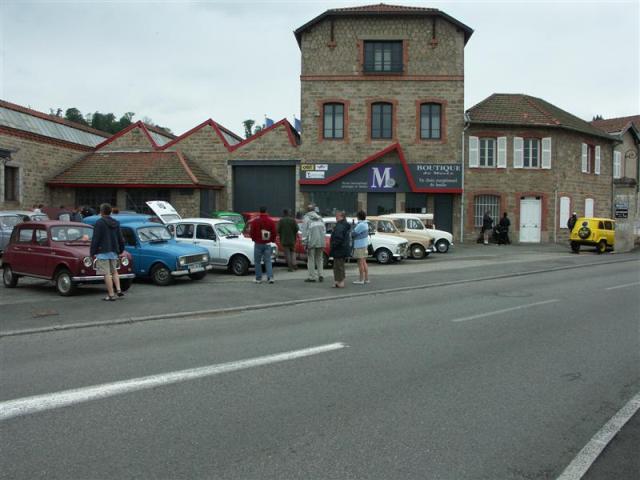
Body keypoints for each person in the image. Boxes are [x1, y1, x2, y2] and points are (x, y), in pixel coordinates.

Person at [90, 203, 126, 301]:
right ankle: (118, 290)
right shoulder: (116, 222)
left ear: (101, 212)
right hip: (114, 251)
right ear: (110, 211)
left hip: (103, 251)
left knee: (106, 273)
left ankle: (111, 294)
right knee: (114, 271)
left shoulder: (99, 223)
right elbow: (120, 238)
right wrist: (121, 249)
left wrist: (92, 252)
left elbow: (95, 239)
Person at [249, 206, 277, 284]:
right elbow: (274, 232)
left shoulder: (255, 221)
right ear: (266, 211)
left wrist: (254, 239)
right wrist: (271, 240)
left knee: (257, 261)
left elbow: (252, 232)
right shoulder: (270, 221)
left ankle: (258, 278)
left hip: (258, 243)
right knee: (268, 261)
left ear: (259, 211)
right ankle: (270, 277)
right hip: (267, 243)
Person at [301, 203, 327, 282]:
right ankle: (321, 275)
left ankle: (312, 277)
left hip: (311, 242)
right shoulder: (320, 218)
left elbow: (304, 232)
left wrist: (304, 243)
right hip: (321, 241)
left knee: (311, 259)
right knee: (319, 259)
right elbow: (324, 231)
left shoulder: (306, 219)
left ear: (307, 210)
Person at [329, 210, 351, 288]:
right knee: (338, 266)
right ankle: (338, 281)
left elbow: (338, 238)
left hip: (339, 249)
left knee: (338, 266)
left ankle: (340, 281)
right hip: (342, 248)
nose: (336, 217)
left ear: (341, 216)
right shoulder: (344, 225)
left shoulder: (340, 226)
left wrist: (333, 245)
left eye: (337, 215)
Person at [351, 210, 370, 284]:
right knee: (364, 262)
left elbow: (353, 233)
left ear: (358, 216)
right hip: (364, 245)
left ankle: (361, 279)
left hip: (359, 245)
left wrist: (353, 228)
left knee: (360, 263)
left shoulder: (360, 225)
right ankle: (366, 279)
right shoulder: (366, 224)